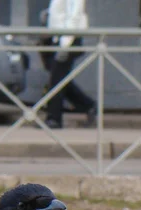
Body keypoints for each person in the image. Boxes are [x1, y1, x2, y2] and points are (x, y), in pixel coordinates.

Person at [44, 0, 96, 129]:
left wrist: (65, 45)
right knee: (60, 79)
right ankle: (88, 105)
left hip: (68, 40)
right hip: (58, 39)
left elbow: (74, 16)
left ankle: (54, 119)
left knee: (56, 80)